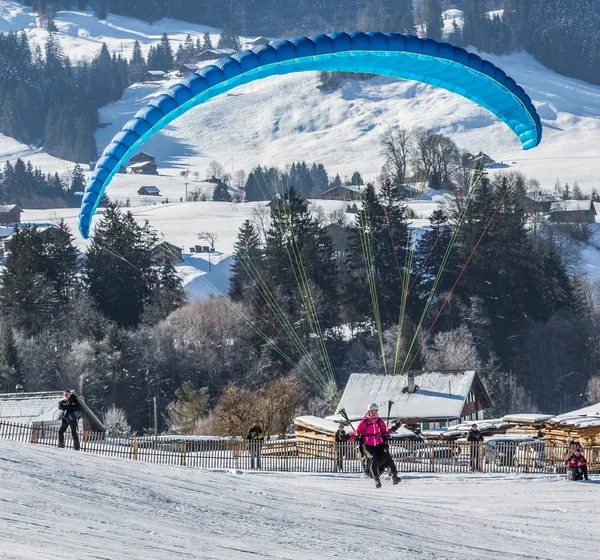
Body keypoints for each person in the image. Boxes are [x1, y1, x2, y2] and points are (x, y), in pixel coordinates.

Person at [350, 403, 400, 488]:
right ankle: (376, 479)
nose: (374, 414)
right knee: (373, 457)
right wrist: (348, 437)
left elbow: (385, 432)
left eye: (375, 412)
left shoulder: (380, 422)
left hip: (379, 443)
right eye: (372, 412)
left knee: (387, 456)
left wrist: (395, 428)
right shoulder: (364, 423)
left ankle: (394, 475)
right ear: (368, 412)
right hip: (368, 445)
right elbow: (356, 433)